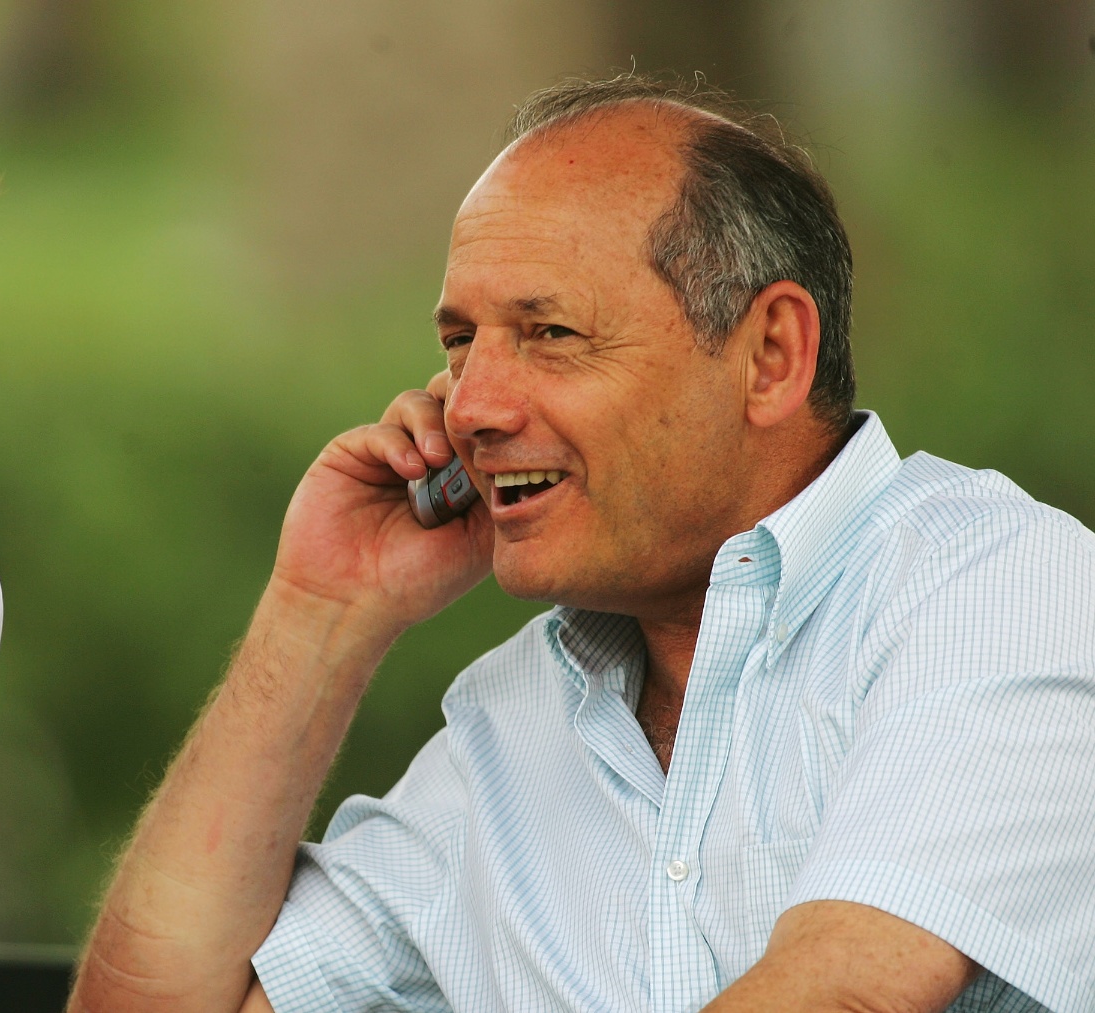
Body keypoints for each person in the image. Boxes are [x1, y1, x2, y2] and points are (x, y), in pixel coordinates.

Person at [74, 75, 1095, 1012]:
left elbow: (848, 993)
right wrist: (320, 610)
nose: (468, 404)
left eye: (549, 333)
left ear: (771, 354)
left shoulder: (1002, 589)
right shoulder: (511, 724)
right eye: (459, 342)